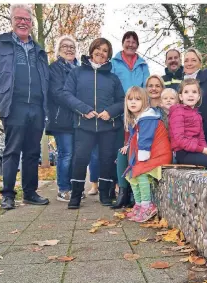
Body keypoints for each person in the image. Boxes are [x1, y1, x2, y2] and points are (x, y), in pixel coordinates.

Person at [0, 4, 50, 209]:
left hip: (36, 106)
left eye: (26, 19)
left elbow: (45, 78)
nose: (23, 22)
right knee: (12, 150)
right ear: (12, 20)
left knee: (32, 151)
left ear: (31, 23)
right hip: (13, 105)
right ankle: (8, 195)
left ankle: (30, 192)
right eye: (19, 18)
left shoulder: (38, 49)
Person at [62, 37, 124, 209]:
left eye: (105, 51)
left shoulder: (113, 78)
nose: (101, 53)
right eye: (98, 48)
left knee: (106, 159)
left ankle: (105, 194)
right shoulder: (77, 73)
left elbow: (122, 101)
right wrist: (84, 109)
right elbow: (66, 94)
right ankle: (75, 196)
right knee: (80, 159)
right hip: (84, 125)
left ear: (108, 55)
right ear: (91, 50)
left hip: (107, 126)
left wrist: (110, 112)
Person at [110, 31, 150, 209]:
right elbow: (111, 84)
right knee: (121, 151)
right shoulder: (114, 63)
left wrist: (140, 103)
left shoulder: (142, 65)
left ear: (137, 45)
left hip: (138, 108)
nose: (131, 44)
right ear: (123, 43)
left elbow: (147, 86)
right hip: (121, 109)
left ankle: (134, 194)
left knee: (133, 149)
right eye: (128, 41)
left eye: (134, 42)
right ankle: (122, 191)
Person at [121, 87, 172, 222]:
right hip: (150, 154)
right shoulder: (139, 119)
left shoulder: (147, 118)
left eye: (137, 99)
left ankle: (147, 205)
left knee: (140, 172)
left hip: (158, 154)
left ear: (144, 102)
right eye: (130, 99)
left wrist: (141, 159)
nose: (133, 102)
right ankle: (138, 205)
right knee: (130, 174)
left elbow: (145, 140)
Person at [46, 35, 79, 202]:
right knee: (65, 154)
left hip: (78, 120)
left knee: (74, 155)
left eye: (72, 46)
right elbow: (58, 93)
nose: (69, 49)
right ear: (59, 50)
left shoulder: (79, 68)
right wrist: (79, 104)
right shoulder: (54, 69)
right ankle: (63, 189)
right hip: (61, 119)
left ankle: (73, 188)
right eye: (65, 46)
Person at [169, 79, 207, 170]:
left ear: (199, 96)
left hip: (195, 151)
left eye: (194, 92)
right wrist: (202, 150)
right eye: (186, 92)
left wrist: (205, 149)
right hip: (183, 153)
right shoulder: (177, 113)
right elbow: (180, 139)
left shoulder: (197, 115)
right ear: (180, 97)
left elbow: (201, 137)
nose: (190, 95)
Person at [183, 48, 207, 143]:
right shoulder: (179, 83)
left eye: (193, 60)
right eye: (186, 60)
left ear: (200, 63)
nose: (189, 63)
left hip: (204, 131)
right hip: (183, 133)